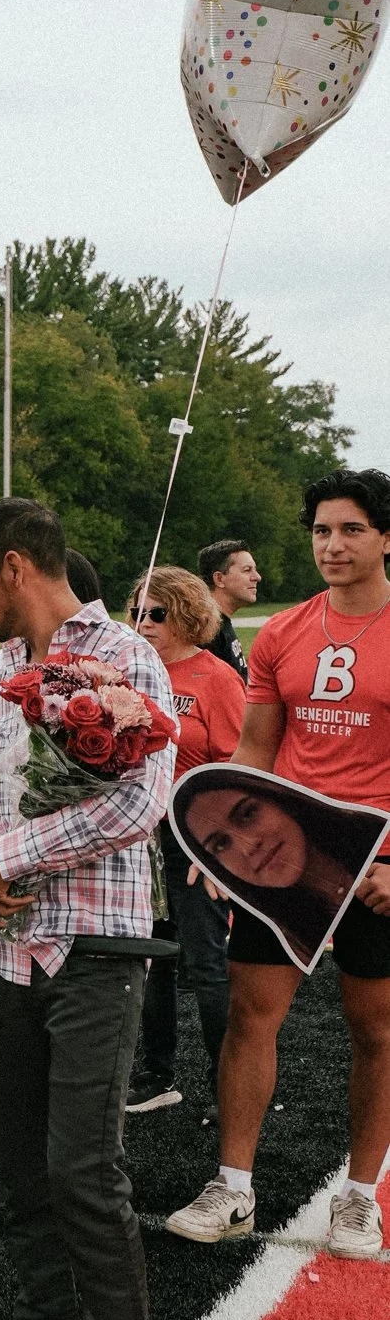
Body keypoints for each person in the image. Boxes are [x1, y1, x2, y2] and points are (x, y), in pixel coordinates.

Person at [0, 497, 177, 1320]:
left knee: (85, 1169)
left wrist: (12, 852)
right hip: (8, 949)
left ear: (18, 564)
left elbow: (140, 797)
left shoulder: (125, 651)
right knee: (22, 1170)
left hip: (97, 944)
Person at [169, 468, 390, 1262]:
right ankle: (232, 1184)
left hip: (376, 859)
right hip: (284, 855)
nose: (332, 545)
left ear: (385, 537)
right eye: (321, 530)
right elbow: (255, 748)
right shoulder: (285, 631)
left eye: (351, 530)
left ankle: (359, 1196)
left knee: (375, 1032)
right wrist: (216, 840)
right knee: (248, 1017)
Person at [125, 566, 246, 1116]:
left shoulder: (216, 678)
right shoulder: (125, 672)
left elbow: (238, 769)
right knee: (152, 958)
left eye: (157, 613)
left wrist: (219, 848)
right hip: (137, 836)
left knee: (205, 961)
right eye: (137, 612)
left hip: (196, 839)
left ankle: (230, 1083)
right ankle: (157, 1074)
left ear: (187, 616)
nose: (143, 623)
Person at [174, 768, 385, 972]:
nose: (248, 846)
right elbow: (254, 750)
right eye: (220, 845)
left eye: (248, 814)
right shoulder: (274, 924)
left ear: (277, 796)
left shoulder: (373, 836)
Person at [197, 538, 260, 682]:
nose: (257, 577)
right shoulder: (206, 632)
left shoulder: (219, 624)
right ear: (219, 579)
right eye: (247, 570)